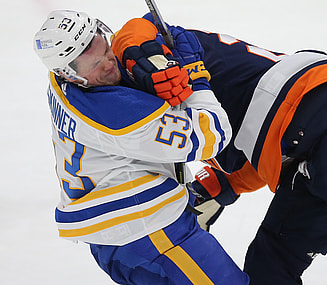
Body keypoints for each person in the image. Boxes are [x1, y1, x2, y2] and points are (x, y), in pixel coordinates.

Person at [115, 14, 327, 284]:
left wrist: (137, 52)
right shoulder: (165, 122)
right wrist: (222, 183)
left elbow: (143, 27)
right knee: (269, 267)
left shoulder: (174, 53)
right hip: (304, 155)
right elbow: (256, 147)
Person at [33, 10, 250, 285]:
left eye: (107, 52)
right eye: (96, 65)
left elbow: (137, 35)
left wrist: (145, 40)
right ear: (70, 74)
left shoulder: (60, 80)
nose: (110, 65)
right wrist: (196, 77)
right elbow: (213, 134)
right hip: (149, 233)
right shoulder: (122, 118)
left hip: (115, 237)